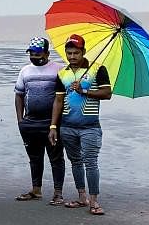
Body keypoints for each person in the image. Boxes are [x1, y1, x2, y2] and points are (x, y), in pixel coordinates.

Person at [48, 34, 112, 215]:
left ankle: (94, 201)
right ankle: (81, 197)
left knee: (90, 162)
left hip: (90, 127)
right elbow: (58, 101)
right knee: (75, 161)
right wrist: (53, 126)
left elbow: (107, 93)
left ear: (83, 52)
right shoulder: (62, 74)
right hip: (67, 126)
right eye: (69, 53)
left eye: (76, 52)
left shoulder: (98, 69)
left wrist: (84, 90)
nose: (72, 56)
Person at [13, 36, 66, 205]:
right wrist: (20, 120)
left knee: (56, 157)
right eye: (31, 53)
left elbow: (64, 97)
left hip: (52, 123)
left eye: (38, 53)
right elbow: (19, 95)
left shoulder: (59, 69)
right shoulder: (25, 71)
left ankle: (58, 193)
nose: (34, 57)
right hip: (30, 123)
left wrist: (56, 124)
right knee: (34, 157)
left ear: (47, 53)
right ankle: (36, 190)